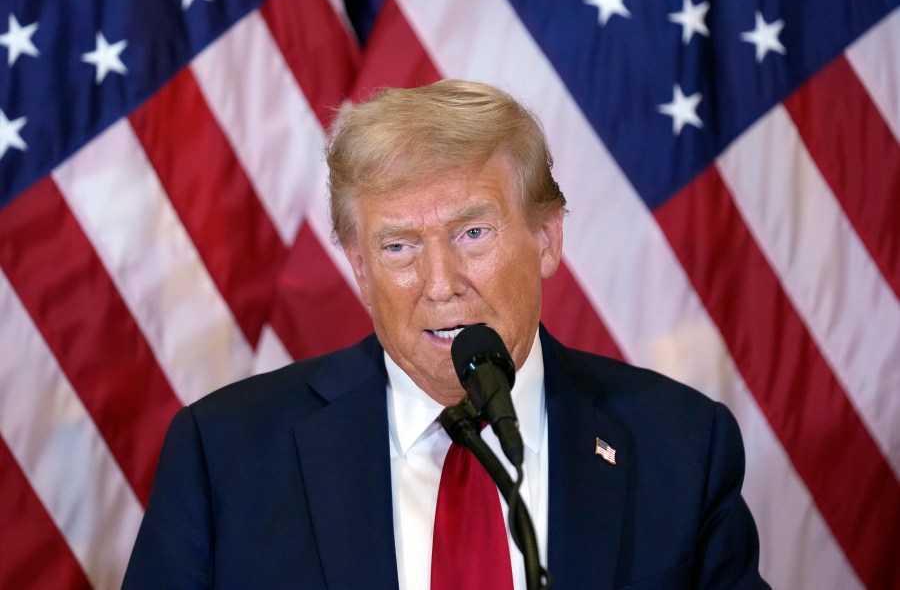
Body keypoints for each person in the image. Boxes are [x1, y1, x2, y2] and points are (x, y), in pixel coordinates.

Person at [123, 79, 768, 589]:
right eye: (399, 246)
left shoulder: (679, 448)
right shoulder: (225, 456)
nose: (440, 283)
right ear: (358, 267)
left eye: (472, 233)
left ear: (547, 238)